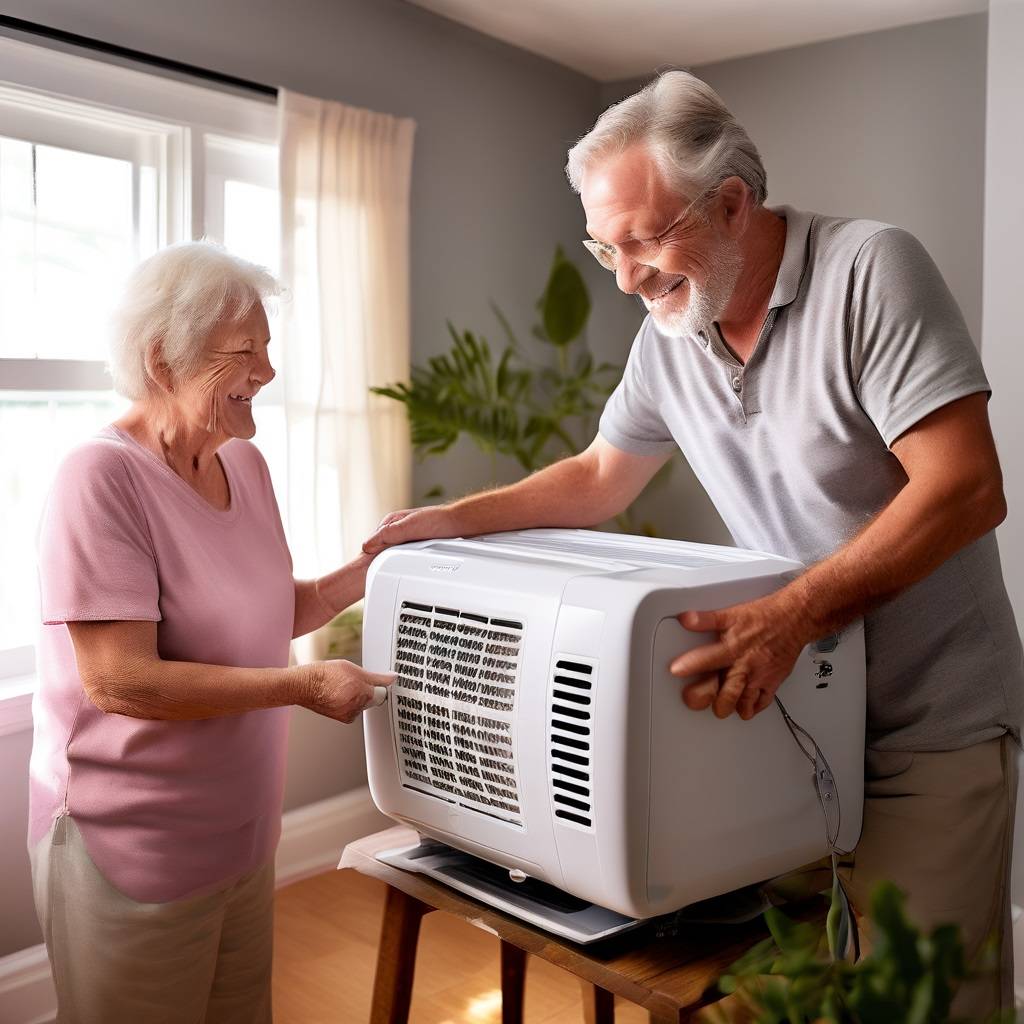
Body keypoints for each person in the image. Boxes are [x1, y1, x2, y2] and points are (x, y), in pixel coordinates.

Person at [364, 71, 1022, 1017]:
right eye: (605, 248)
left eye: (644, 239)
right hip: (795, 723)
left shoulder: (870, 269)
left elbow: (965, 487)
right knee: (795, 992)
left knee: (920, 1001)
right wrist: (449, 519)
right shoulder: (668, 331)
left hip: (930, 721)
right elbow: (598, 476)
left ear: (732, 203)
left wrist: (793, 614)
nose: (627, 275)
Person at [29, 241, 393, 1024]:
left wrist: (373, 567)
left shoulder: (244, 465)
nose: (267, 371)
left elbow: (264, 611)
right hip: (134, 843)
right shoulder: (100, 478)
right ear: (164, 360)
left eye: (268, 349)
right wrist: (302, 685)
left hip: (240, 830)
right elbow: (121, 680)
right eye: (244, 353)